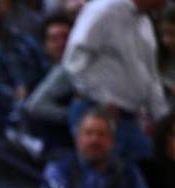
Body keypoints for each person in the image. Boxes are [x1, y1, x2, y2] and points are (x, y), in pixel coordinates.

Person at [63, 0, 168, 161]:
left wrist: (164, 120)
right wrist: (103, 99)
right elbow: (74, 61)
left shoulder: (145, 21)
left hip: (131, 118)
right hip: (96, 113)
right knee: (101, 179)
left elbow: (151, 76)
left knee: (151, 167)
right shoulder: (103, 10)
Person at [39, 108, 159, 188]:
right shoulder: (58, 170)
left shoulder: (128, 172)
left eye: (101, 134)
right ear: (77, 138)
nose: (95, 140)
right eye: (88, 133)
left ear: (112, 141)